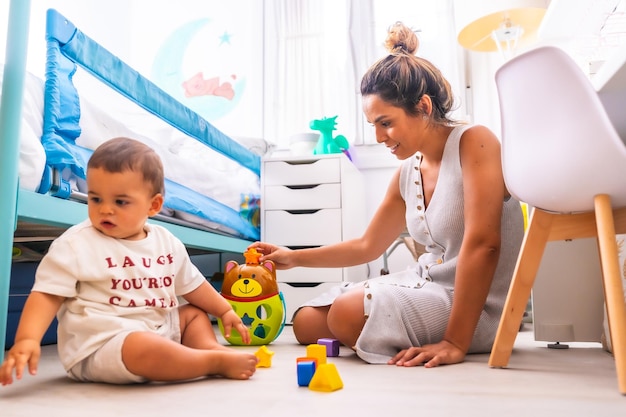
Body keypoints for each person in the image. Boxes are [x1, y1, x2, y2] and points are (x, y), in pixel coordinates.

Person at [250, 22, 524, 368]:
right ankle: (377, 326)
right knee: (307, 322)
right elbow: (368, 246)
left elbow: (485, 243)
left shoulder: (475, 142)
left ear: (423, 107)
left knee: (346, 314)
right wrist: (295, 257)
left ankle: (393, 329)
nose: (380, 137)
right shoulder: (407, 172)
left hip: (476, 305)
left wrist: (453, 343)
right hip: (427, 286)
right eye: (373, 126)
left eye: (386, 122)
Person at [1, 137, 258, 386]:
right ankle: (207, 363)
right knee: (145, 347)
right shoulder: (76, 244)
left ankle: (208, 350)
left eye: (120, 201)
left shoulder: (165, 241)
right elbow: (47, 294)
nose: (105, 209)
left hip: (156, 328)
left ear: (153, 205)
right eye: (95, 198)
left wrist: (224, 310)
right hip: (103, 343)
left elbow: (192, 285)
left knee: (193, 314)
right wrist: (27, 339)